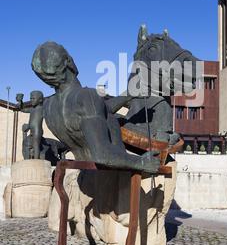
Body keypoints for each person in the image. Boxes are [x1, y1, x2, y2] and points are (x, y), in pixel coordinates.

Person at [31, 41, 159, 174]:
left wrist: (128, 95)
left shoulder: (49, 106)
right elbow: (103, 156)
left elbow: (99, 111)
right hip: (110, 179)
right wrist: (142, 162)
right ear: (68, 62)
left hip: (84, 176)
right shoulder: (87, 96)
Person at [16, 91, 44, 159]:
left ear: (40, 100)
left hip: (37, 130)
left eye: (33, 98)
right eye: (30, 98)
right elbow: (22, 109)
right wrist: (20, 102)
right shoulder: (32, 109)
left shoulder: (42, 109)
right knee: (26, 143)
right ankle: (28, 159)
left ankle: (36, 160)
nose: (31, 100)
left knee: (35, 145)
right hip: (31, 130)